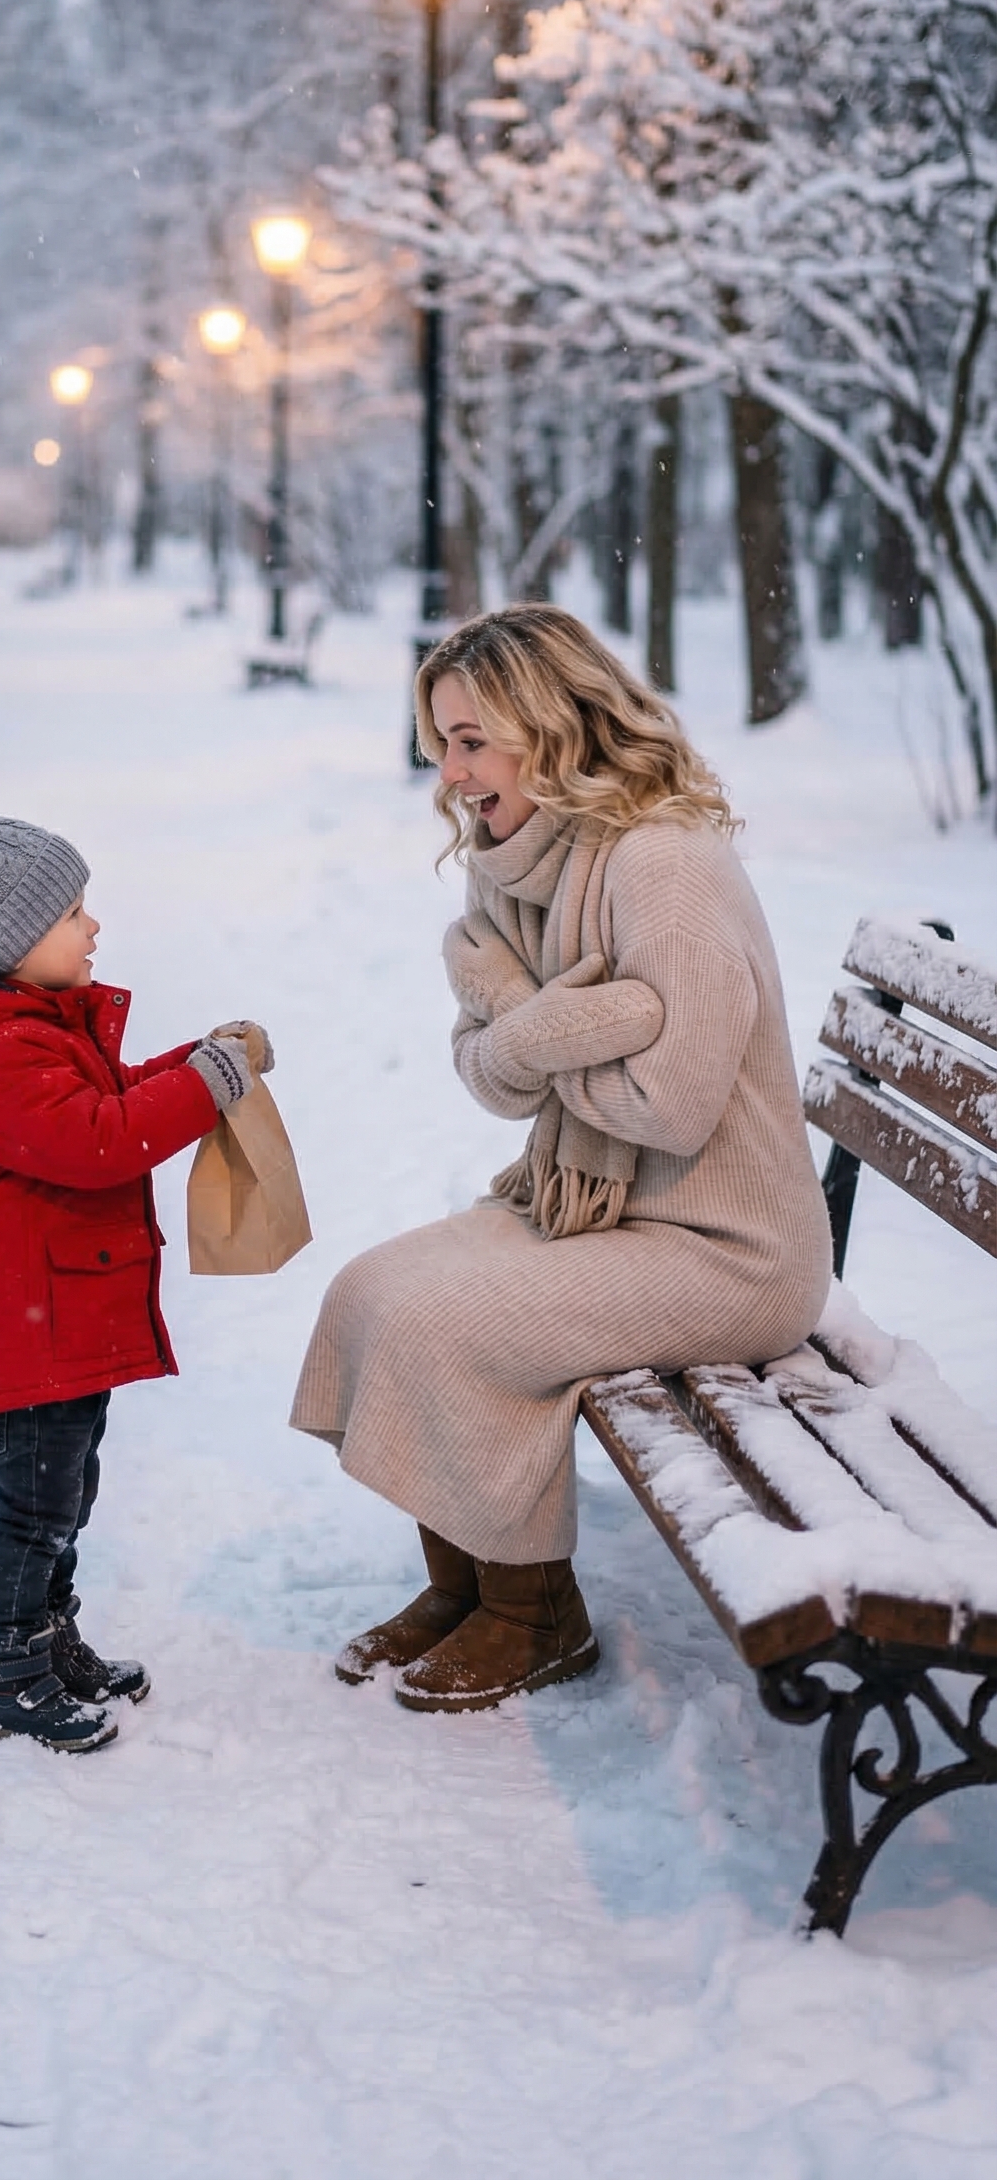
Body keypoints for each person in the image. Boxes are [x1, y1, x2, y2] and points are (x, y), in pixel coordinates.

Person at [291, 603, 832, 1716]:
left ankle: (537, 1615)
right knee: (373, 1289)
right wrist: (551, 1029)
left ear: (550, 726)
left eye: (471, 741)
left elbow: (672, 1107)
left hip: (731, 1249)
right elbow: (488, 1074)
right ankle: (468, 1586)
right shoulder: (512, 864)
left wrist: (528, 1033)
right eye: (441, 742)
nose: (449, 773)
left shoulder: (665, 866)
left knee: (448, 1322)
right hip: (602, 1208)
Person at [0, 791, 270, 1754]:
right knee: (33, 1506)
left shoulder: (32, 1028)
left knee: (65, 1492)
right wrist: (204, 1086)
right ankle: (3, 1673)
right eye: (71, 913)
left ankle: (46, 1640)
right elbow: (101, 1139)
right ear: (7, 944)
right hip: (21, 1328)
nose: (93, 928)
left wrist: (198, 1063)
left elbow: (112, 1094)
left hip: (51, 1317)